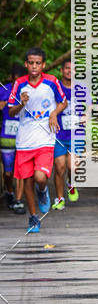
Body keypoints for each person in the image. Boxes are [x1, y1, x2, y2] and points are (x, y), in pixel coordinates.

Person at [8, 48, 67, 233]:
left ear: (43, 65)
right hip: (25, 141)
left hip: (45, 138)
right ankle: (33, 218)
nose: (34, 66)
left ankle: (43, 191)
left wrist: (54, 114)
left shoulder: (51, 81)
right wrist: (21, 104)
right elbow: (10, 111)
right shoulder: (19, 84)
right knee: (27, 181)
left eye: (38, 63)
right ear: (26, 64)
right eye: (31, 63)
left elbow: (63, 101)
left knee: (40, 177)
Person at [52, 57, 81, 210]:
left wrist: (86, 117)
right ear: (62, 70)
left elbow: (89, 108)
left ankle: (71, 184)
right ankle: (60, 198)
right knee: (59, 167)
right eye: (67, 68)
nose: (70, 71)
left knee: (73, 167)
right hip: (58, 134)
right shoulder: (55, 88)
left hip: (76, 135)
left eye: (73, 68)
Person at [0, 62, 26, 214]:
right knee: (8, 172)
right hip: (7, 136)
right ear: (11, 78)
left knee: (21, 170)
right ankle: (10, 192)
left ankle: (18, 200)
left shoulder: (28, 92)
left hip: (24, 137)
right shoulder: (3, 90)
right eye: (15, 79)